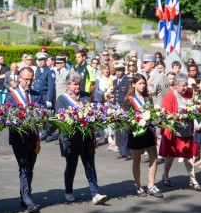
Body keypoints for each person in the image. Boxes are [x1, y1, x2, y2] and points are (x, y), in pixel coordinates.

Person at [56, 72, 108, 204]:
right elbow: (60, 119)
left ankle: (95, 193)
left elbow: (93, 112)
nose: (77, 86)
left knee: (90, 164)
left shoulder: (85, 96)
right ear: (68, 85)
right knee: (71, 166)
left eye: (79, 84)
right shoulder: (62, 99)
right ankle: (69, 191)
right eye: (75, 84)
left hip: (87, 138)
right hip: (70, 139)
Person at [5, 67, 43, 213]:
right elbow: (8, 116)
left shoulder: (36, 95)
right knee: (24, 167)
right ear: (19, 78)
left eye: (31, 79)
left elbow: (41, 113)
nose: (28, 82)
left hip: (33, 137)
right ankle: (28, 199)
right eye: (26, 79)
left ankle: (24, 195)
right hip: (18, 138)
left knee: (30, 168)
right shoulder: (11, 96)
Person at [160, 73, 201, 191]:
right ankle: (165, 175)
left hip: (187, 130)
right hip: (174, 131)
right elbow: (166, 114)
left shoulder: (189, 93)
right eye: (183, 86)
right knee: (170, 156)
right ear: (175, 85)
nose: (185, 88)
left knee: (189, 155)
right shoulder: (169, 96)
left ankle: (193, 180)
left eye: (186, 85)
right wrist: (181, 115)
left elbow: (193, 106)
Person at [124, 73, 163, 198]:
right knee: (137, 160)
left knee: (154, 157)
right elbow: (127, 118)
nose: (142, 86)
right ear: (133, 84)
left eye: (144, 83)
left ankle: (151, 185)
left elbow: (151, 112)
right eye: (140, 83)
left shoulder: (148, 98)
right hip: (135, 133)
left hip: (148, 132)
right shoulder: (129, 100)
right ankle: (138, 186)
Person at [110, 61, 132, 160]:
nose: (118, 72)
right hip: (116, 108)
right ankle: (122, 151)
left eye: (120, 70)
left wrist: (125, 108)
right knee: (118, 130)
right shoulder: (115, 81)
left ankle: (128, 152)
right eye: (116, 70)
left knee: (126, 131)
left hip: (125, 108)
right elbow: (116, 95)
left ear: (124, 70)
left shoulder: (128, 81)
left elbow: (128, 95)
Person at [33, 52, 56, 141]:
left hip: (46, 96)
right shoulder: (38, 70)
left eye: (42, 60)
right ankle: (44, 132)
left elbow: (51, 86)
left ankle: (52, 133)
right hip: (38, 96)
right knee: (40, 115)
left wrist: (49, 99)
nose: (40, 62)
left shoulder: (50, 71)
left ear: (46, 60)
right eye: (39, 60)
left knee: (48, 116)